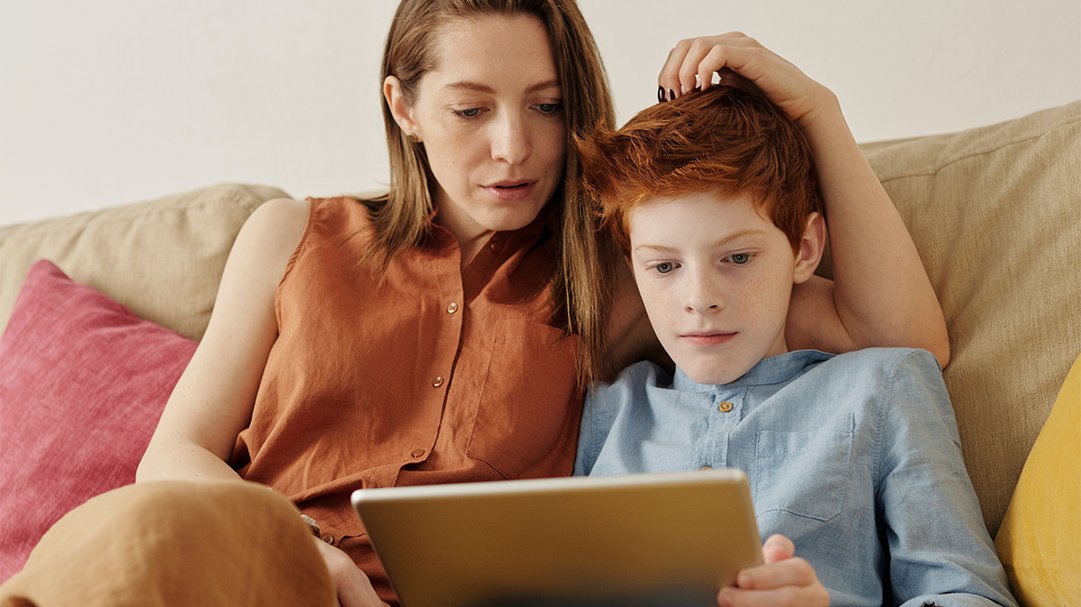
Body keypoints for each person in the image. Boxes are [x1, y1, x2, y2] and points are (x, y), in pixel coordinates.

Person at [0, 2, 949, 606]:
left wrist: (816, 109)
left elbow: (893, 336)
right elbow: (174, 455)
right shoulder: (291, 235)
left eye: (544, 106)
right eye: (469, 108)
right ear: (404, 108)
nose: (513, 148)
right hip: (248, 565)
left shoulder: (624, 272)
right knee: (136, 531)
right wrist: (305, 554)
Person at [573, 83, 1016, 606]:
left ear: (804, 250)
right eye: (665, 266)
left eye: (737, 258)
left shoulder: (882, 387)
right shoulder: (611, 409)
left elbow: (969, 594)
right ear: (634, 269)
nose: (700, 299)